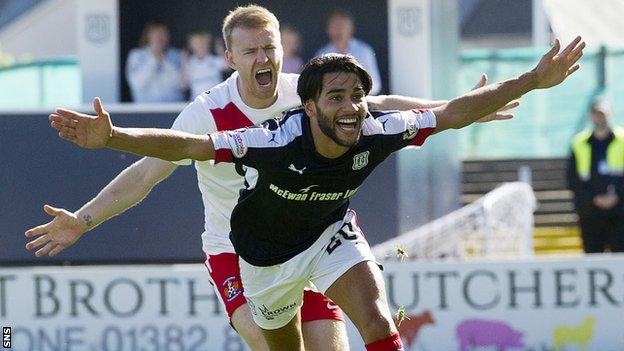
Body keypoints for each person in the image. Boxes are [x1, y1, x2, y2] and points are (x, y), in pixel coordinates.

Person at [43, 37, 584, 350]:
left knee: (375, 319)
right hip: (259, 256)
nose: (351, 108)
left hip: (329, 233)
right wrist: (111, 137)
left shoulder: (371, 124)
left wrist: (531, 81)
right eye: (338, 99)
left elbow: (447, 113)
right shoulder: (270, 138)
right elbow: (187, 146)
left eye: (358, 98)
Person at [567, 98, 624, 253]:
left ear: (610, 115)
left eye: (603, 113)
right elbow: (573, 179)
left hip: (620, 212)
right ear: (590, 116)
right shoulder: (579, 142)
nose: (600, 117)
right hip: (590, 212)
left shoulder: (622, 140)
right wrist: (593, 199)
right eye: (596, 113)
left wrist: (617, 196)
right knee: (593, 257)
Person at [315, 9, 382, 95]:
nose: (338, 30)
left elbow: (375, 85)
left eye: (342, 26)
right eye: (334, 26)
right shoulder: (321, 54)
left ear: (352, 29)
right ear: (328, 30)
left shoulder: (364, 51)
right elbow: (316, 86)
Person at [126, 22, 184, 102]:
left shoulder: (176, 55)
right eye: (156, 34)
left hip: (173, 108)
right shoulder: (136, 55)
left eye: (163, 34)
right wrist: (154, 59)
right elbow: (137, 84)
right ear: (148, 36)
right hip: (145, 109)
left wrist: (163, 60)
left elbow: (181, 84)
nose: (159, 38)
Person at [182, 31, 228, 99]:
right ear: (191, 45)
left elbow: (228, 66)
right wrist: (183, 60)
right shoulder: (189, 63)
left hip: (216, 101)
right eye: (197, 43)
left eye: (203, 43)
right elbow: (184, 85)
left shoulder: (214, 60)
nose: (200, 46)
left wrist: (220, 49)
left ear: (208, 44)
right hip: (197, 102)